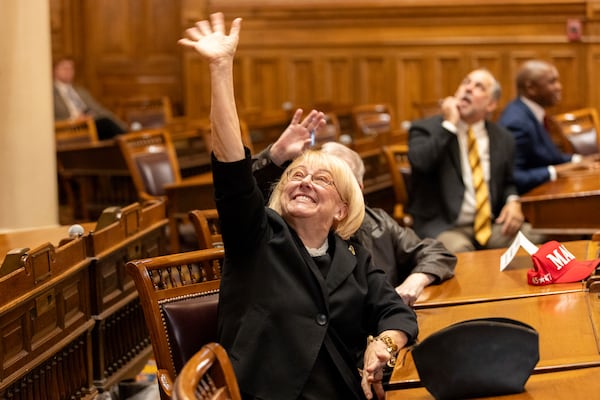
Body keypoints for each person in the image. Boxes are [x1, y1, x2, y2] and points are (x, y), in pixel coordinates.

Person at [179, 12, 418, 400]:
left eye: (322, 180)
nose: (304, 180)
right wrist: (221, 69)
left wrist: (386, 345)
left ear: (342, 209)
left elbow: (395, 312)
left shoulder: (352, 255)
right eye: (296, 175)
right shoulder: (257, 236)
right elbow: (231, 168)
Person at [252, 120, 457, 307]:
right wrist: (275, 155)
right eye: (321, 174)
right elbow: (243, 194)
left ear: (356, 190)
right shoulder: (288, 227)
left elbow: (437, 253)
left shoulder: (377, 224)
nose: (309, 183)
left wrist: (416, 281)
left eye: (328, 178)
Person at [408, 68, 527, 253]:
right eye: (466, 82)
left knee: (536, 236)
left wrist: (513, 201)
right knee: (463, 253)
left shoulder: (503, 138)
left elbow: (507, 182)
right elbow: (421, 163)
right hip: (444, 226)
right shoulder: (426, 129)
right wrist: (449, 125)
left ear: (491, 104)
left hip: (490, 225)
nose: (468, 88)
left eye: (479, 87)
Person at [498, 59, 597, 194]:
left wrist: (578, 160)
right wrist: (557, 170)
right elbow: (513, 177)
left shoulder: (531, 112)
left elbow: (547, 157)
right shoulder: (517, 123)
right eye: (552, 82)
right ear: (531, 88)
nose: (559, 87)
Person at [53, 56, 128, 140]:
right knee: (105, 124)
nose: (68, 71)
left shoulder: (81, 91)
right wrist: (73, 120)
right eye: (64, 68)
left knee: (106, 121)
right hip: (71, 127)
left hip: (92, 122)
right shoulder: (50, 94)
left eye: (71, 68)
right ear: (54, 70)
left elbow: (99, 110)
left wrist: (123, 125)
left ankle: (127, 137)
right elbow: (49, 120)